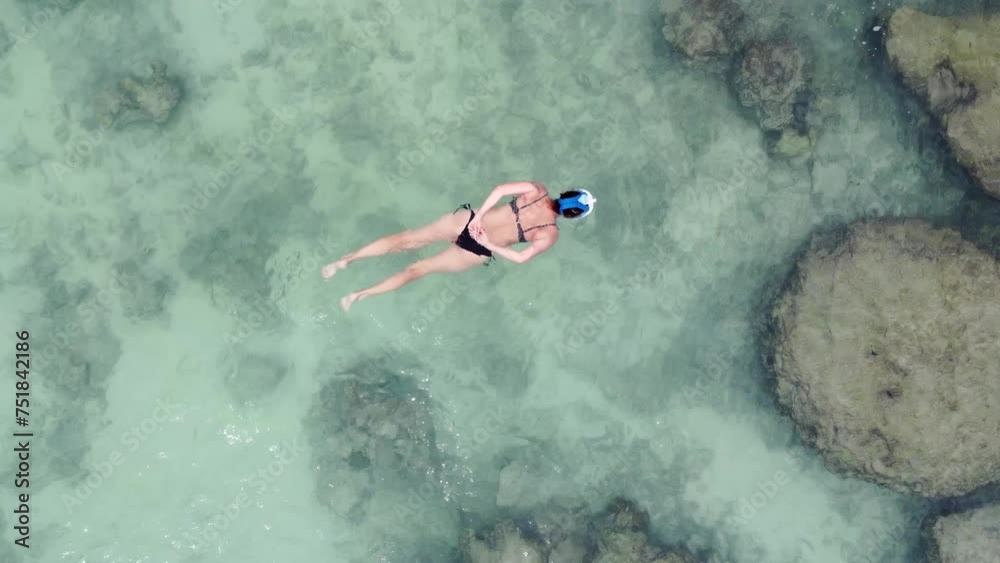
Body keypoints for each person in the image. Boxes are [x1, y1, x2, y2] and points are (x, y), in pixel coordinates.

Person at [322, 181, 596, 311]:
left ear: (568, 193)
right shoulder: (549, 234)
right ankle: (359, 295)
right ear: (572, 216)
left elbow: (500, 190)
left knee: (406, 239)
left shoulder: (536, 190)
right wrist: (488, 242)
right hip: (476, 249)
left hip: (467, 222)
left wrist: (479, 216)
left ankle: (345, 260)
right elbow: (520, 258)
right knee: (418, 269)